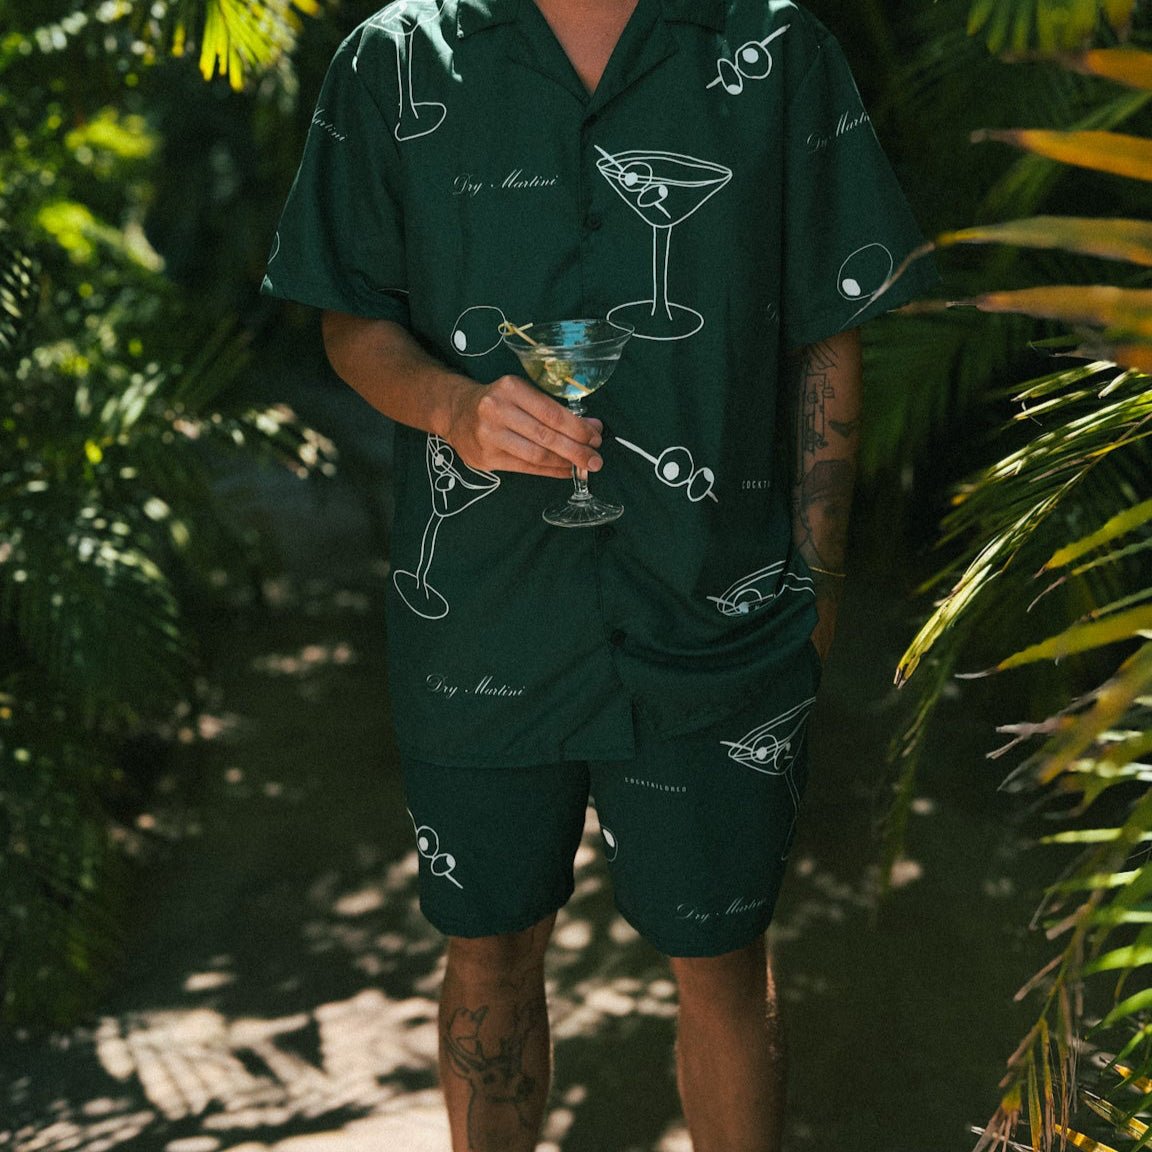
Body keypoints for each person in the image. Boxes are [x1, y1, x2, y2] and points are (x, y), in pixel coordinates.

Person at [262, 0, 936, 1147]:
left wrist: (815, 588)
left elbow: (829, 324)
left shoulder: (774, 49)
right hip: (480, 612)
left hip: (715, 607)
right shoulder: (397, 59)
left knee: (724, 959)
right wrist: (456, 409)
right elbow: (351, 319)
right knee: (489, 947)